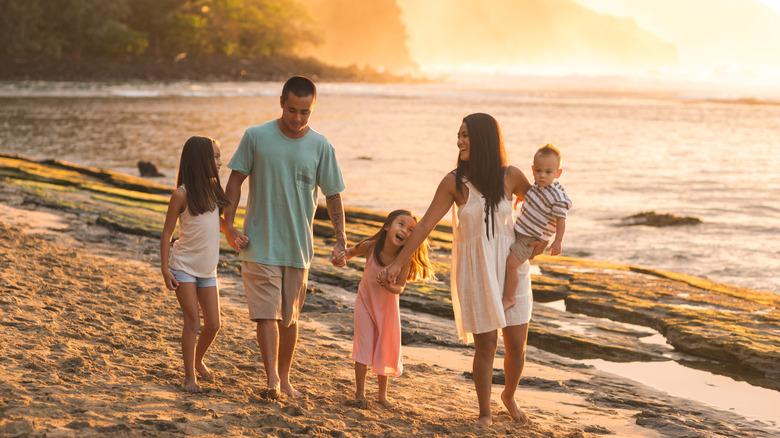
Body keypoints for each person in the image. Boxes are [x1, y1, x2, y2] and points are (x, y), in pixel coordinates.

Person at [378, 113, 545, 426]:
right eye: (459, 135)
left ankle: (508, 395)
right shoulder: (453, 182)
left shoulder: (511, 176)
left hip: (512, 270)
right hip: (478, 274)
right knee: (486, 346)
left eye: (466, 135)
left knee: (517, 348)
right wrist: (398, 263)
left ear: (484, 138)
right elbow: (426, 224)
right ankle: (485, 412)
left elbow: (539, 205)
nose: (459, 141)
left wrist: (543, 240)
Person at [223, 75, 347, 398]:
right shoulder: (256, 137)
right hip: (258, 243)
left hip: (298, 248)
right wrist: (229, 225)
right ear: (281, 102)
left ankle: (285, 377)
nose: (297, 118)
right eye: (292, 110)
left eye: (305, 112)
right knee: (267, 314)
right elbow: (235, 182)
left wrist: (341, 240)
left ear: (313, 109)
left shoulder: (321, 146)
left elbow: (333, 196)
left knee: (289, 320)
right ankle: (272, 382)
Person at [160, 135, 243, 392]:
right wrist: (164, 268)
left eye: (219, 156)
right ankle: (189, 378)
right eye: (216, 157)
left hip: (208, 270)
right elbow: (166, 233)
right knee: (193, 323)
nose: (220, 162)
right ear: (200, 160)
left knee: (214, 324)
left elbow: (216, 222)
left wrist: (232, 233)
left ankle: (198, 360)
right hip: (183, 267)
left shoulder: (214, 191)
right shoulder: (180, 194)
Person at [346, 209, 435, 407]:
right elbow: (351, 252)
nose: (405, 230)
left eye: (411, 229)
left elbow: (400, 287)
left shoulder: (404, 259)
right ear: (387, 226)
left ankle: (381, 395)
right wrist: (342, 257)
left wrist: (389, 286)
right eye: (401, 224)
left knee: (383, 349)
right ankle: (360, 393)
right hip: (365, 304)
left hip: (387, 312)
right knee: (363, 346)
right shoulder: (371, 247)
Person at [503, 144, 572, 311]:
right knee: (505, 261)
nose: (542, 176)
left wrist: (558, 241)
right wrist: (524, 200)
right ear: (533, 170)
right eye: (539, 171)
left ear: (558, 173)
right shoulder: (537, 186)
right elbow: (532, 197)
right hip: (519, 231)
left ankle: (509, 298)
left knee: (511, 265)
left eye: (548, 172)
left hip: (529, 239)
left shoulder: (556, 197)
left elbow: (561, 220)